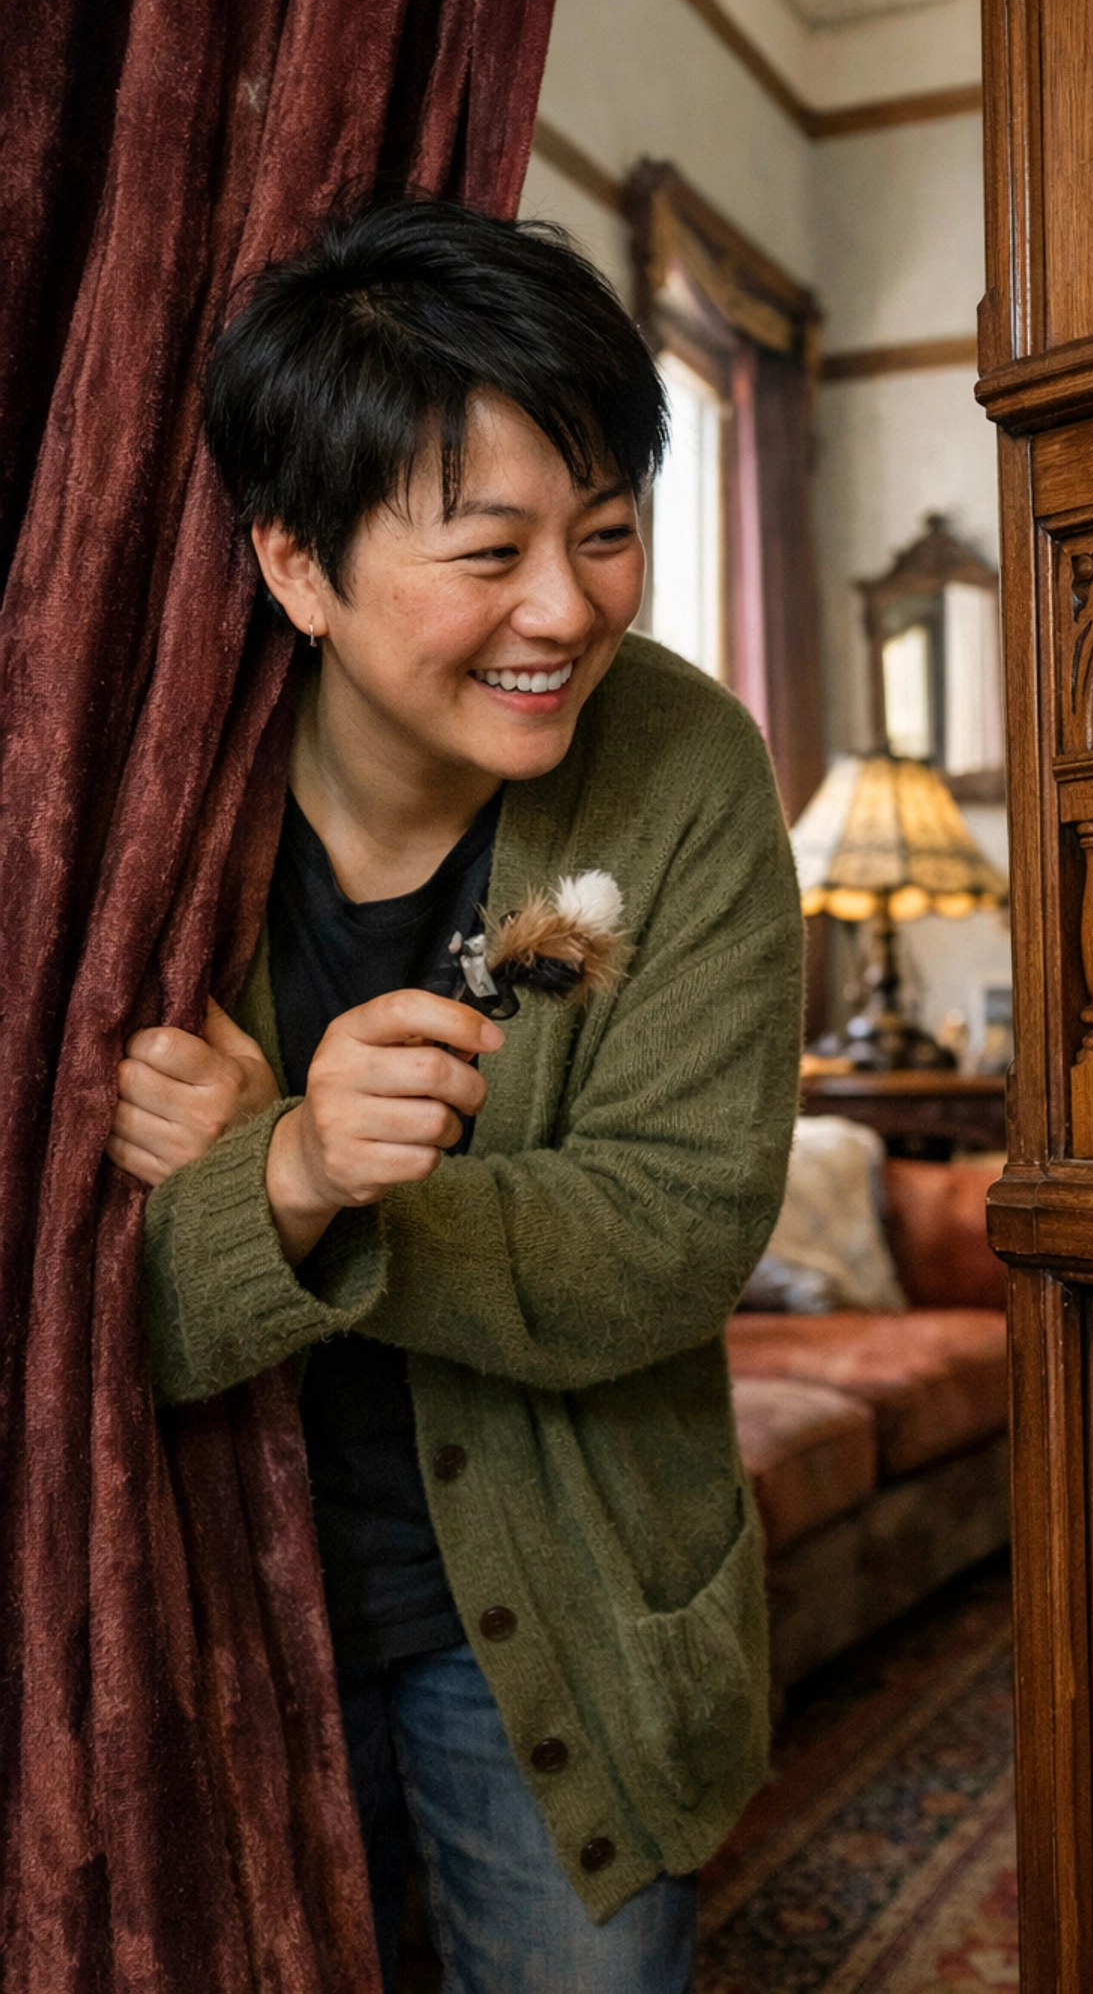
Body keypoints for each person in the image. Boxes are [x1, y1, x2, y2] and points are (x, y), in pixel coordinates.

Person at [106, 196, 804, 1994]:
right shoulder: (151, 828)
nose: (565, 611)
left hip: (554, 1638)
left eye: (607, 534)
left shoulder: (684, 765)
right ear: (297, 568)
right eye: (488, 551)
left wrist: (315, 1182)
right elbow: (122, 1321)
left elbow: (670, 1239)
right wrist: (286, 1180)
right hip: (213, 1616)